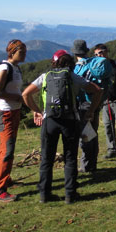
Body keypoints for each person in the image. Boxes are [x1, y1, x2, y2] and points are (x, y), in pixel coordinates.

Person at [22, 49, 101, 204]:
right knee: (70, 158)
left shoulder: (45, 77)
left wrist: (36, 111)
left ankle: (45, 194)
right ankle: (70, 194)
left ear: (54, 62)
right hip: (70, 120)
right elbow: (97, 91)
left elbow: (25, 94)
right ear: (70, 63)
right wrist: (91, 111)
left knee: (46, 158)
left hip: (49, 121)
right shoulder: (72, 76)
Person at [0, 39, 26, 202]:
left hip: (13, 112)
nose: (24, 54)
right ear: (12, 52)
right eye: (21, 51)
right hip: (5, 113)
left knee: (6, 148)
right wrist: (18, 97)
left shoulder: (15, 67)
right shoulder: (5, 68)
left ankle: (6, 179)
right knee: (7, 150)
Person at [71, 39, 105, 173]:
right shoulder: (93, 64)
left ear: (74, 53)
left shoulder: (77, 68)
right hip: (95, 103)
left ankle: (86, 166)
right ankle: (91, 164)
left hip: (84, 104)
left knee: (86, 135)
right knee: (92, 133)